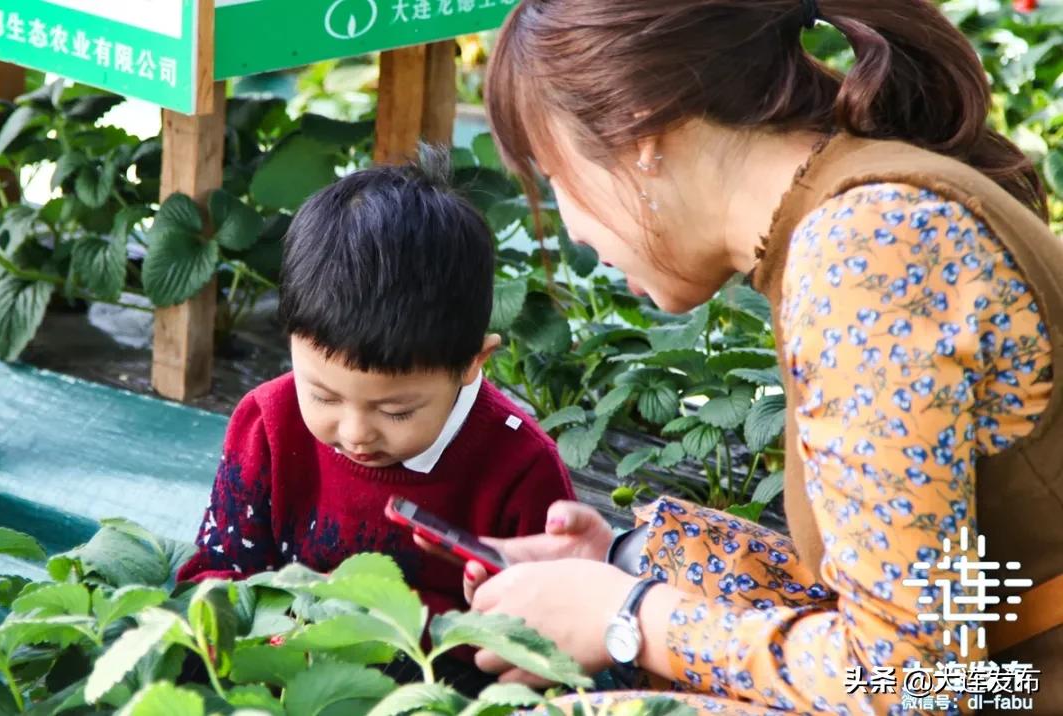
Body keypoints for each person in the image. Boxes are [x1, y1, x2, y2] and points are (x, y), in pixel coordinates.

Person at [441, 0, 1063, 712]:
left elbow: (906, 685)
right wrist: (621, 564)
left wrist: (629, 617)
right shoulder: (861, 213)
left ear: (640, 129)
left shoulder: (868, 249)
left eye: (554, 174)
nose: (574, 231)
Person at [177, 149, 576, 661]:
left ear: (473, 362)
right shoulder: (268, 424)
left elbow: (543, 636)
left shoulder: (521, 470)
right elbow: (216, 571)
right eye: (322, 395)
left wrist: (383, 624)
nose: (355, 432)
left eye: (397, 411)